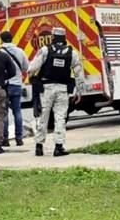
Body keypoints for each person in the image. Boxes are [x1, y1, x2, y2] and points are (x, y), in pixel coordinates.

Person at [28, 28, 85, 157]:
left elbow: (32, 68)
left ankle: (39, 147)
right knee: (60, 118)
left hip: (46, 89)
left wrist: (32, 78)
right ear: (64, 38)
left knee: (43, 117)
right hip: (62, 89)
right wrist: (79, 91)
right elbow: (79, 75)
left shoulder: (45, 50)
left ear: (53, 37)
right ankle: (58, 147)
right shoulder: (72, 53)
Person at [0, 30, 29, 147]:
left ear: (1, 40)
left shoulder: (0, 52)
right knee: (17, 111)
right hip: (17, 85)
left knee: (4, 113)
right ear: (12, 39)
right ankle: (19, 138)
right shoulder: (20, 51)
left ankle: (5, 139)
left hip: (4, 85)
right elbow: (26, 67)